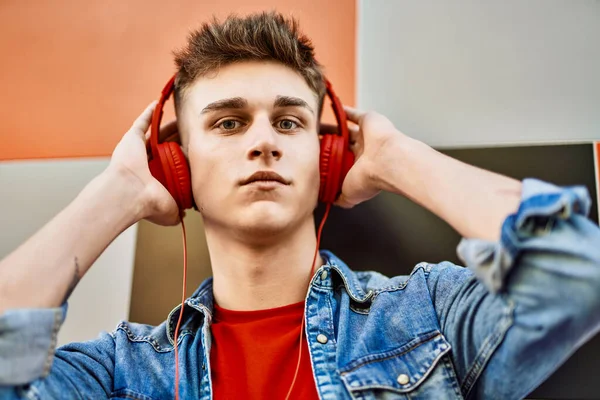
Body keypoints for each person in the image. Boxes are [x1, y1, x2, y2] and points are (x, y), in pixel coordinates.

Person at [1, 11, 599, 400]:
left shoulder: (427, 316)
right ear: (175, 165)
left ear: (329, 156)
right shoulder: (123, 373)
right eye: (229, 122)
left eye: (289, 121)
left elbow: (578, 277)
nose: (263, 141)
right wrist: (116, 193)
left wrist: (396, 157)